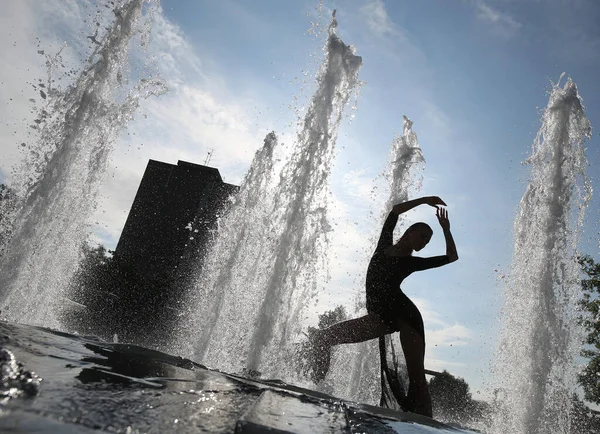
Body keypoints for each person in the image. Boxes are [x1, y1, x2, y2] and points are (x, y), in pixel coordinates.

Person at [309, 196, 458, 417]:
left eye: (428, 240)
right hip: (380, 317)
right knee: (324, 338)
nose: (425, 242)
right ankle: (313, 388)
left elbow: (451, 257)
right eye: (423, 236)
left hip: (407, 318)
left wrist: (446, 229)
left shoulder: (412, 262)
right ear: (408, 233)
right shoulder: (384, 245)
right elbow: (395, 211)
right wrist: (426, 200)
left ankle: (427, 425)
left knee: (417, 379)